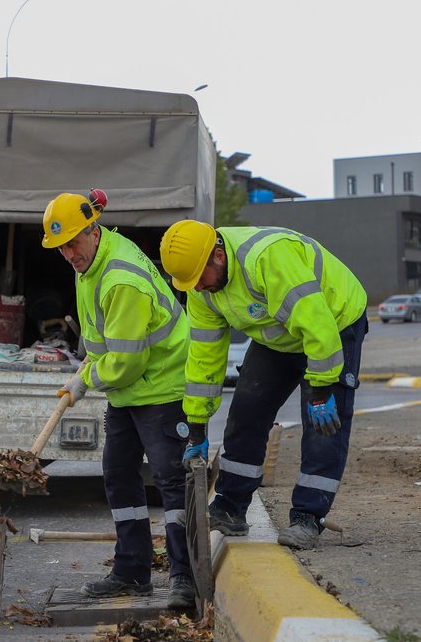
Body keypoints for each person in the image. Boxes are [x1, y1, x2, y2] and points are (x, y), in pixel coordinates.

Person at [159, 220, 367, 550]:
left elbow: (316, 322)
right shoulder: (200, 289)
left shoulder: (266, 259)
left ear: (218, 256)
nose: (197, 288)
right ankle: (230, 508)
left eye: (199, 278)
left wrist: (323, 389)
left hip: (333, 321)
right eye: (189, 283)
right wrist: (196, 427)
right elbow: (204, 358)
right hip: (279, 335)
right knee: (246, 411)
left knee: (322, 424)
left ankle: (307, 518)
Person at [43, 190, 197, 609]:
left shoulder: (121, 278)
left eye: (74, 242)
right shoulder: (89, 263)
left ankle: (185, 577)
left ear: (94, 231)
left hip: (162, 386)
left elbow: (126, 362)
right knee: (118, 473)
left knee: (170, 479)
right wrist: (84, 374)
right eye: (61, 247)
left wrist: (86, 379)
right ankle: (132, 572)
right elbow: (103, 339)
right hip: (129, 390)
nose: (69, 253)